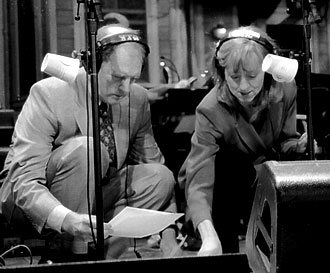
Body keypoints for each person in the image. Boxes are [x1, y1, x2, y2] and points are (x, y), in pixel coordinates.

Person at [0, 24, 181, 261]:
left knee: (160, 176)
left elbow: (156, 170)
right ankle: (71, 257)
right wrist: (66, 219)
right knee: (88, 150)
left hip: (94, 199)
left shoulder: (137, 98)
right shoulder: (48, 93)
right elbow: (24, 182)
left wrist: (169, 238)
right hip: (33, 204)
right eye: (118, 77)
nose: (125, 88)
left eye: (133, 78)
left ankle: (103, 254)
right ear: (92, 64)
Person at [178, 25, 309, 256]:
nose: (243, 86)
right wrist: (208, 236)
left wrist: (299, 146)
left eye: (251, 76)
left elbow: (284, 143)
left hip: (262, 179)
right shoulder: (209, 109)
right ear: (222, 72)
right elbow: (200, 180)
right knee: (231, 163)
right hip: (222, 185)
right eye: (234, 77)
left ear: (268, 70)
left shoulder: (286, 89)